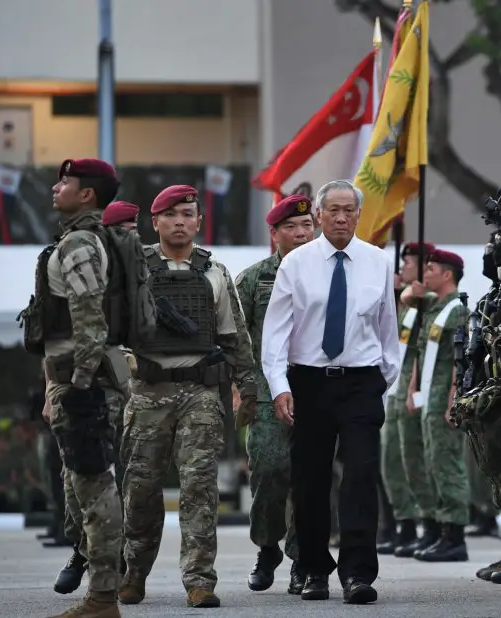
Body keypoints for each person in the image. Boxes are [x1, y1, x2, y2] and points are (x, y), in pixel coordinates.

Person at [118, 185, 258, 609]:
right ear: (155, 221)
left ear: (199, 221)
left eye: (188, 214)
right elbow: (110, 329)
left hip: (199, 393)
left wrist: (248, 388)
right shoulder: (133, 269)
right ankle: (134, 573)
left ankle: (199, 580)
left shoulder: (215, 271)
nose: (180, 221)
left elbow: (235, 336)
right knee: (140, 490)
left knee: (200, 487)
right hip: (147, 394)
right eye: (171, 214)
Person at [261, 179, 399, 604]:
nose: (341, 218)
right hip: (310, 384)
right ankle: (314, 569)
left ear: (359, 215)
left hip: (360, 383)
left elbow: (387, 328)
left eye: (349, 210)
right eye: (332, 211)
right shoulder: (296, 264)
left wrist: (382, 380)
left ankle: (358, 573)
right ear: (318, 216)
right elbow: (276, 333)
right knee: (311, 481)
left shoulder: (377, 261)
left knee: (359, 475)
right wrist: (280, 386)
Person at [25, 157, 127, 618]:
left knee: (94, 488)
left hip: (81, 381)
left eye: (64, 181)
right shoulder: (74, 239)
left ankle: (104, 596)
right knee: (82, 489)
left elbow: (90, 319)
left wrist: (81, 385)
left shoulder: (81, 243)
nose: (55, 187)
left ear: (87, 194)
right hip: (69, 377)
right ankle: (101, 592)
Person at [235, 194, 315, 594]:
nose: (300, 235)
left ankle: (303, 560)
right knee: (268, 470)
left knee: (310, 477)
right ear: (274, 234)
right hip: (266, 390)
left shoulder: (328, 272)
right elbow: (233, 336)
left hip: (317, 388)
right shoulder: (253, 279)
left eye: (306, 227)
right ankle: (268, 547)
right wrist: (240, 387)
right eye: (290, 228)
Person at [403, 248, 471, 562]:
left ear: (447, 274)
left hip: (444, 396)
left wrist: (454, 399)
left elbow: (460, 359)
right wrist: (413, 389)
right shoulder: (434, 306)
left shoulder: (457, 310)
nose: (425, 274)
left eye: (431, 269)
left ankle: (454, 536)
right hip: (429, 397)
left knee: (448, 466)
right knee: (433, 464)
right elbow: (418, 347)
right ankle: (442, 533)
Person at [381, 241, 439, 558]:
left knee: (416, 461)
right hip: (397, 386)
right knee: (393, 459)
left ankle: (428, 524)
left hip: (419, 389)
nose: (403, 267)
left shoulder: (431, 301)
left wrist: (405, 292)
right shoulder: (410, 301)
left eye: (409, 263)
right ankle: (404, 523)